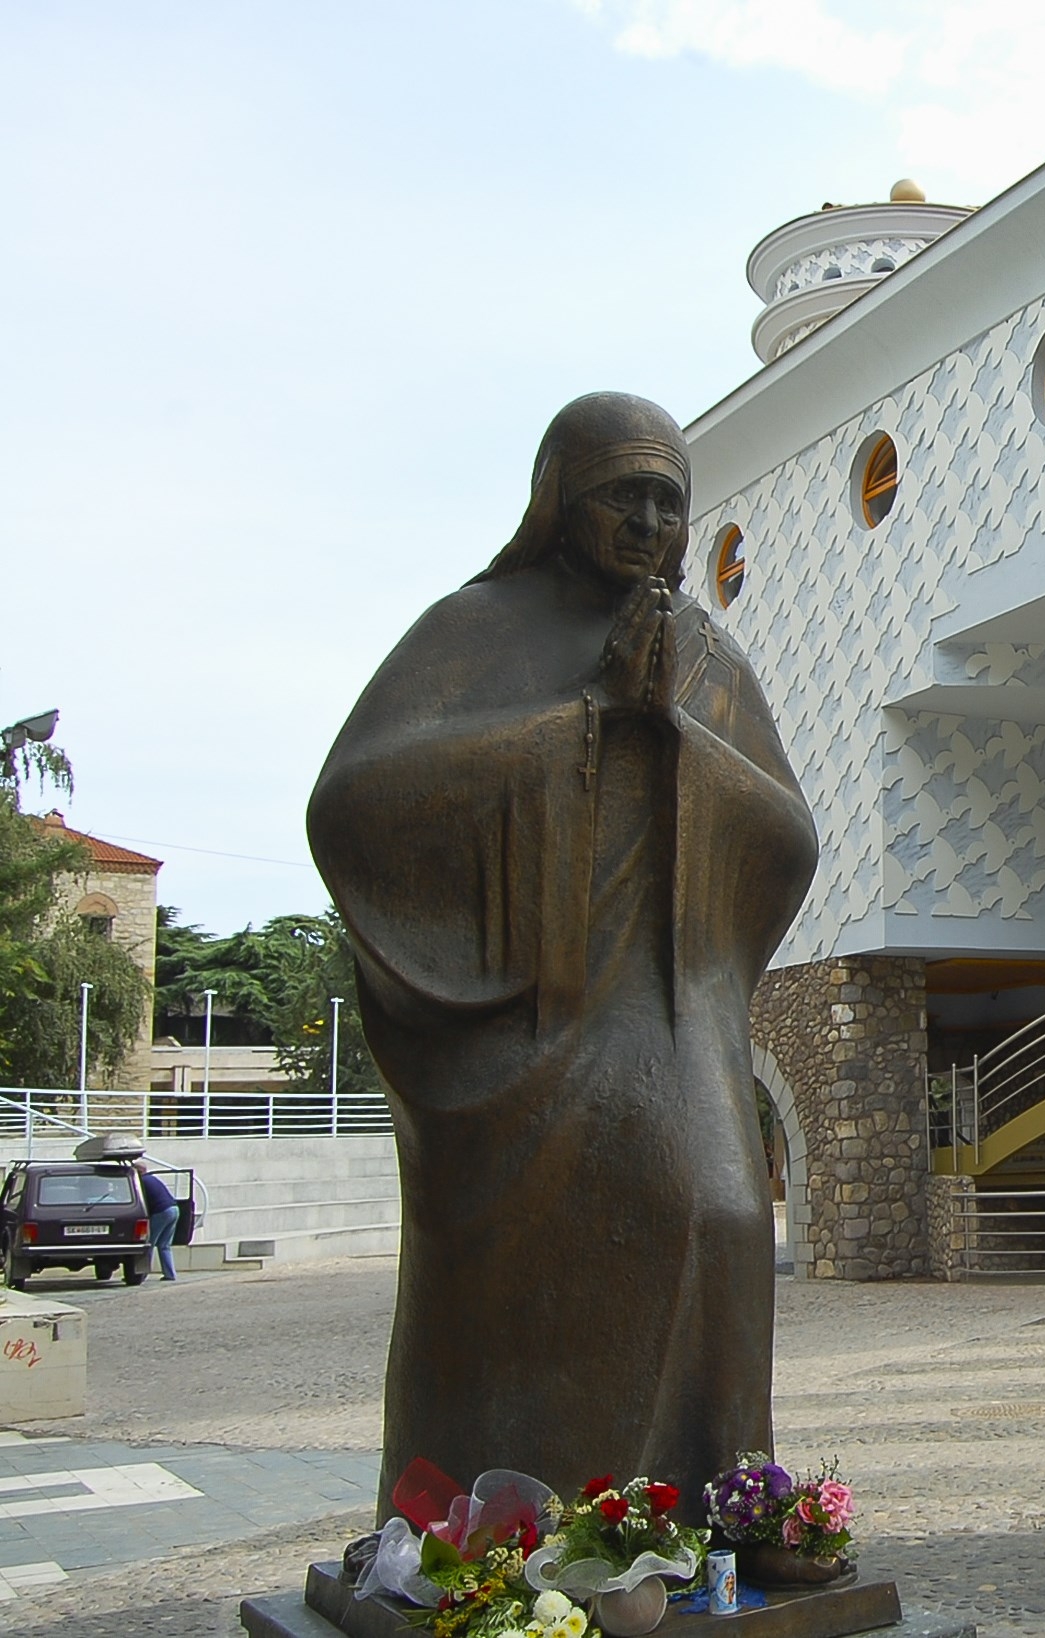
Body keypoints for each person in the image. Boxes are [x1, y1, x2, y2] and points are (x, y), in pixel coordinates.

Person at [308, 393, 820, 1517]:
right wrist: (589, 720)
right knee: (555, 1269)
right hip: (529, 1032)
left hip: (671, 1003)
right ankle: (503, 1542)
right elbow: (358, 805)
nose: (647, 523)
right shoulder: (471, 629)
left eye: (668, 502)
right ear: (557, 501)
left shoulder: (706, 656)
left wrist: (670, 733)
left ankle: (714, 1518)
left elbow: (785, 835)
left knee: (726, 1216)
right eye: (620, 496)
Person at [135, 1162, 177, 1282]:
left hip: (162, 1211)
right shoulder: (152, 1178)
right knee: (165, 1245)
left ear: (138, 1172)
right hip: (174, 1209)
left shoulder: (141, 1182)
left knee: (148, 1243)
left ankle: (141, 1274)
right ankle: (170, 1274)